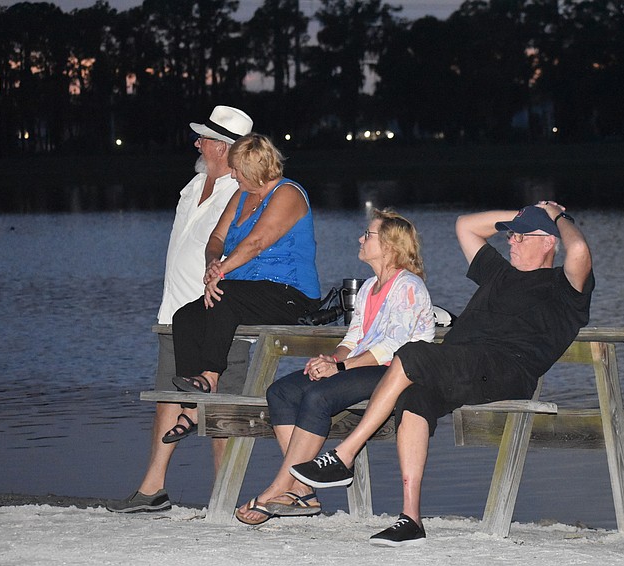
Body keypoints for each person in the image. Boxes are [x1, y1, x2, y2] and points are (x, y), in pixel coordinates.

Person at [290, 201, 594, 546]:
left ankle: (344, 455)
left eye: (521, 237)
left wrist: (556, 216)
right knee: (413, 396)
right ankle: (411, 519)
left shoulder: (564, 286)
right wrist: (523, 216)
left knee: (412, 353)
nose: (511, 241)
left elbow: (579, 250)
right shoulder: (499, 273)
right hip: (460, 364)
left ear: (549, 241)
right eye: (511, 236)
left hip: (505, 369)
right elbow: (465, 225)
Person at [235, 209, 436, 525]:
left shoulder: (408, 286)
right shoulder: (369, 287)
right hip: (364, 366)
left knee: (319, 396)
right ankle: (303, 490)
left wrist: (341, 369)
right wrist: (332, 360)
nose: (360, 239)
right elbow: (354, 337)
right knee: (281, 392)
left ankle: (278, 487)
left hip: (397, 372)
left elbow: (391, 347)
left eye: (367, 235)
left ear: (389, 245)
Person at [108, 105, 254, 513]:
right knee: (168, 396)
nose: (197, 144)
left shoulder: (245, 193)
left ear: (222, 147)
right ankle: (152, 490)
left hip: (219, 314)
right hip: (175, 310)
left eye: (204, 138)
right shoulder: (192, 186)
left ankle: (224, 499)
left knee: (222, 406)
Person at [167, 133, 322, 439]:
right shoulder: (241, 195)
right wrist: (213, 265)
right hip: (243, 293)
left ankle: (210, 377)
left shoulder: (288, 193)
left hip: (290, 294)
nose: (233, 175)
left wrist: (222, 273)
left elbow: (256, 242)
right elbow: (216, 238)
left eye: (237, 170)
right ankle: (191, 409)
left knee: (226, 296)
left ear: (252, 170)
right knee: (185, 317)